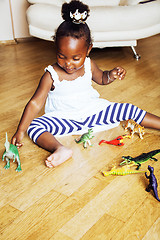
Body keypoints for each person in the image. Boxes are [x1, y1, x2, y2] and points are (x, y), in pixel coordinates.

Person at [12, 0, 160, 168]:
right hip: (64, 119)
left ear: (88, 49)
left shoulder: (89, 64)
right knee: (34, 126)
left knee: (127, 109)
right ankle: (59, 149)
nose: (68, 63)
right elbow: (35, 103)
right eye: (62, 56)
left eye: (76, 58)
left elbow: (102, 78)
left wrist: (111, 74)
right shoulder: (51, 74)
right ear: (56, 47)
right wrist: (21, 130)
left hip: (93, 112)